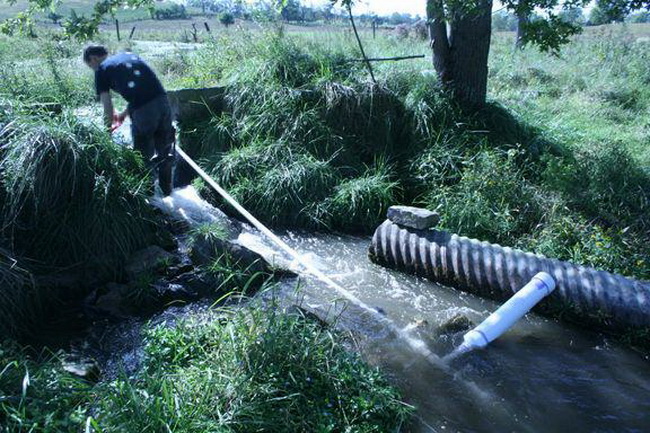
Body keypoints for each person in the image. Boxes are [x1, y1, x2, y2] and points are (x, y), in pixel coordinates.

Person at [83, 45, 174, 196]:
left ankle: (149, 198)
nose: (93, 69)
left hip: (144, 111)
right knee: (165, 151)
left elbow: (107, 105)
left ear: (93, 59)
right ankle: (168, 192)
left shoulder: (101, 70)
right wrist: (125, 113)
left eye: (90, 66)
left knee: (143, 156)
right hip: (163, 102)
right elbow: (143, 87)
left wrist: (106, 132)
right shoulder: (127, 55)